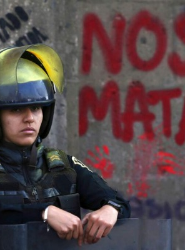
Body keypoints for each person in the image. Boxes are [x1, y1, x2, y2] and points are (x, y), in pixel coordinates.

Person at [0, 44, 130, 246]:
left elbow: (117, 201)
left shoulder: (61, 165)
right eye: (16, 110)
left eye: (36, 108)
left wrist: (110, 209)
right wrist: (44, 212)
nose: (29, 118)